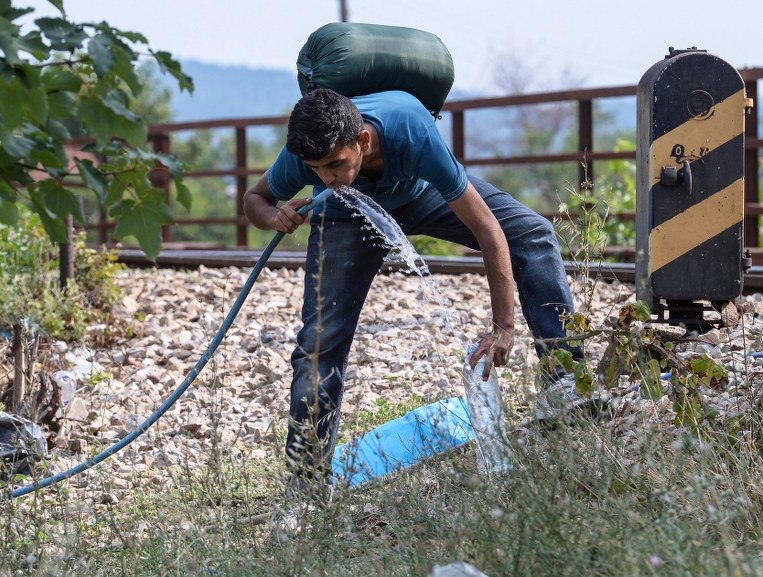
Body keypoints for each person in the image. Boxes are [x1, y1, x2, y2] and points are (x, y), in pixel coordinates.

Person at [243, 87, 583, 498]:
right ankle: (308, 482)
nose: (326, 178)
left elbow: (489, 229)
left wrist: (503, 328)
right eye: (316, 170)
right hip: (342, 217)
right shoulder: (307, 160)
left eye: (335, 164)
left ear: (363, 141)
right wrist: (272, 216)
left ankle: (564, 382)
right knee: (320, 343)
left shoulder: (410, 130)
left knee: (532, 233)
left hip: (421, 194)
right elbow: (254, 199)